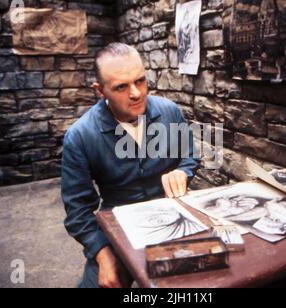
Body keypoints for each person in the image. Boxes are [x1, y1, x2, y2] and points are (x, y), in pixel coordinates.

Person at [61, 43, 200, 288]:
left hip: (173, 212)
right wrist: (103, 256)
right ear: (100, 90)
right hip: (117, 223)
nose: (136, 93)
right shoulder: (80, 136)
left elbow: (189, 156)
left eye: (140, 81)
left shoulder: (170, 112)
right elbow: (79, 210)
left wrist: (182, 171)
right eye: (121, 87)